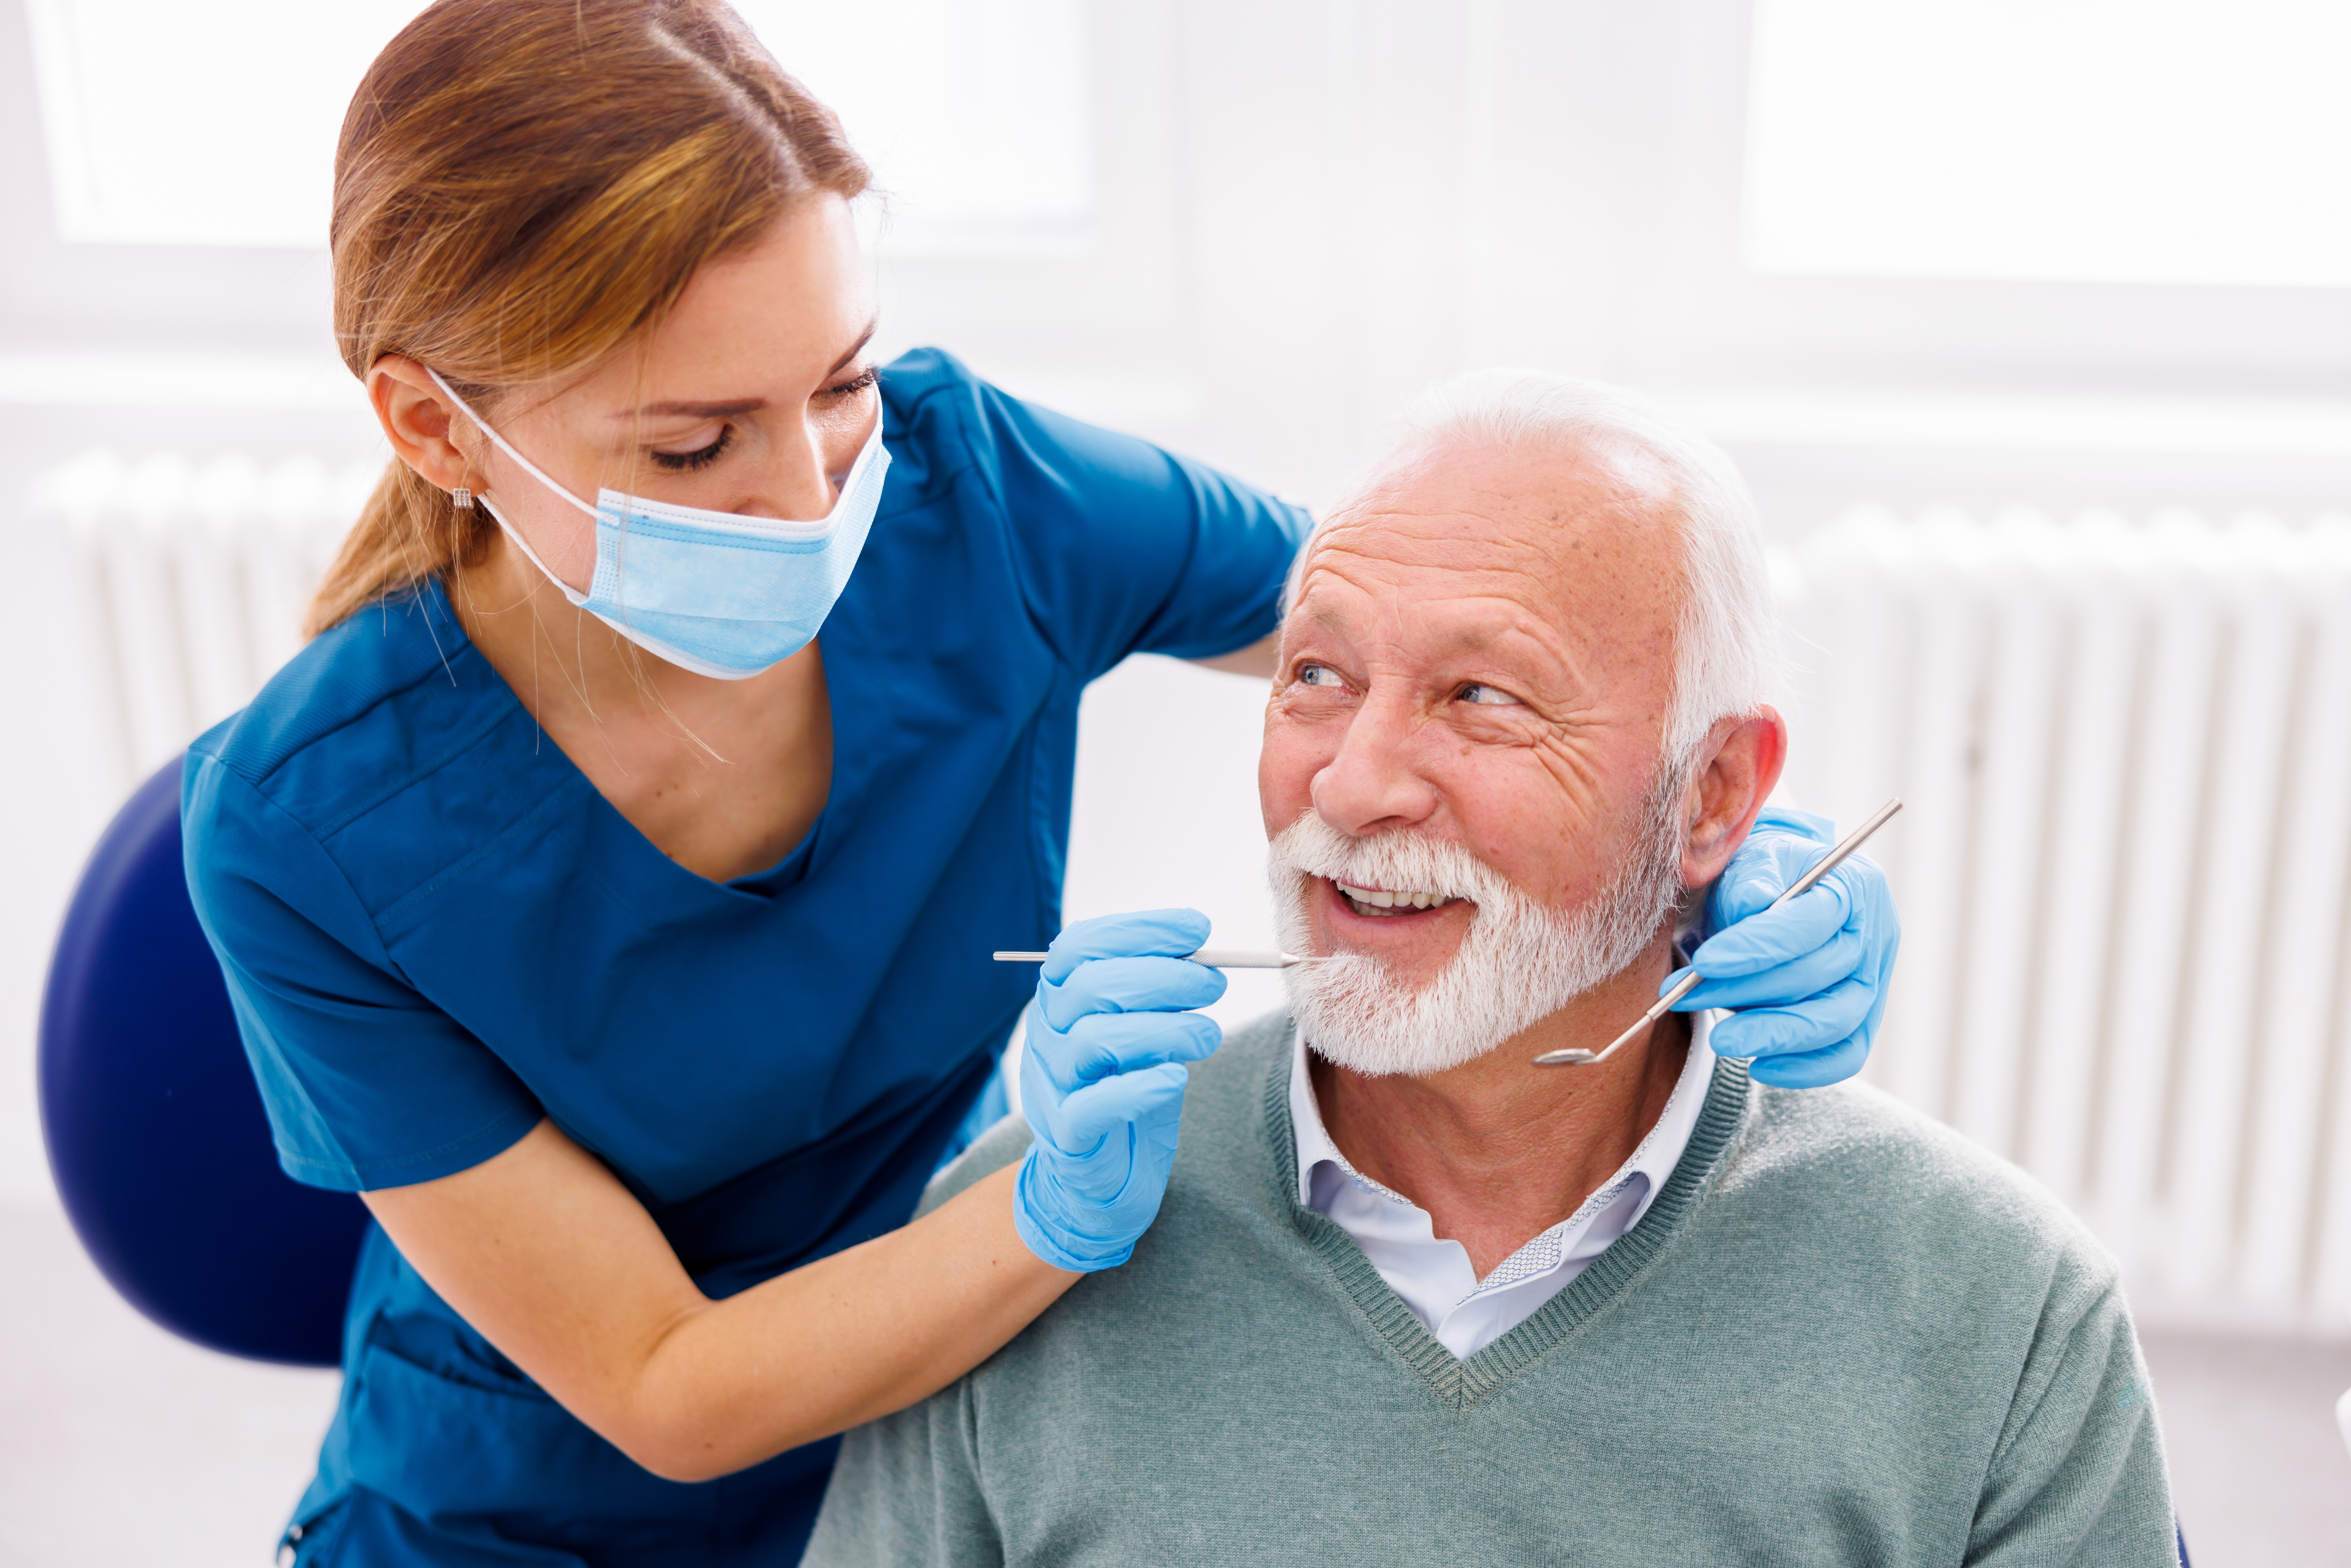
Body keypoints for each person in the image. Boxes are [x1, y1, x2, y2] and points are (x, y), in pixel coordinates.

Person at [181, 3, 1901, 1563]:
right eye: (695, 444)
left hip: (956, 1414)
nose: (811, 492)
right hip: (540, 1511)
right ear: (433, 427)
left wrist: (1686, 823)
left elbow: (1398, 634)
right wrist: (1055, 1209)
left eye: (841, 381)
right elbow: (665, 1382)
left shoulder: (979, 495)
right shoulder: (304, 833)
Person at [807, 372, 2173, 1566]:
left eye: (1480, 695)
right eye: (1314, 674)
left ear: (1711, 792)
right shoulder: (1012, 1246)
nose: (1348, 783)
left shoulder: (2000, 1310)